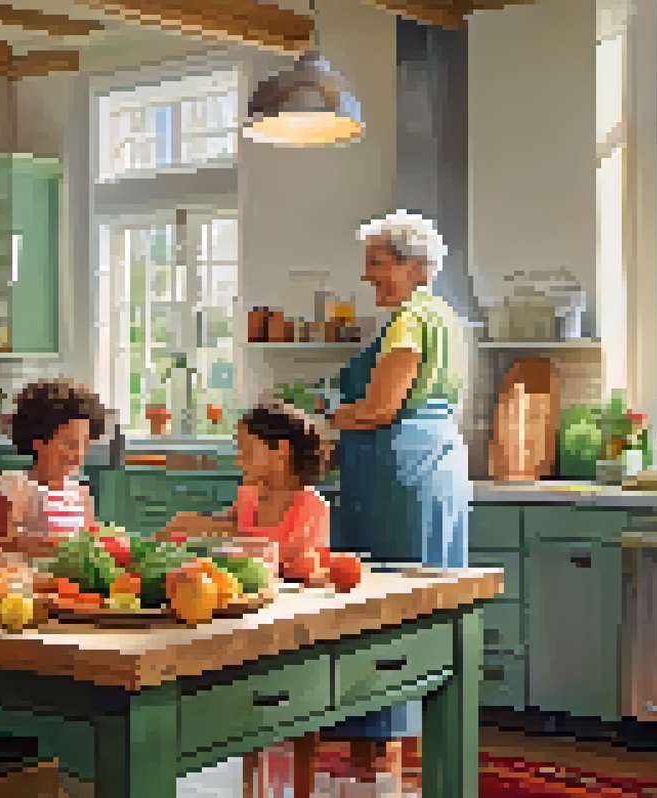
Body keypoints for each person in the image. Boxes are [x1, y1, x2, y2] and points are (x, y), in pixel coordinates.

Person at [324, 210, 471, 793]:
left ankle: (376, 761)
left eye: (378, 265)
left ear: (413, 266)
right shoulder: (447, 320)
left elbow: (383, 406)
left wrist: (334, 416)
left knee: (382, 604)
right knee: (428, 602)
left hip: (398, 474)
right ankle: (415, 751)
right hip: (431, 465)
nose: (369, 277)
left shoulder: (410, 320)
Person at [158, 403, 332, 581]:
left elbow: (298, 565)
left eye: (246, 450)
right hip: (243, 588)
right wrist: (190, 524)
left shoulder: (311, 506)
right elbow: (230, 525)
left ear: (281, 451)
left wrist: (224, 531)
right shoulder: (249, 495)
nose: (238, 459)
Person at [0, 379, 109, 558]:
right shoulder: (13, 486)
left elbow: (89, 546)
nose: (79, 453)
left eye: (85, 444)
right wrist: (54, 546)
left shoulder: (81, 494)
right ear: (38, 442)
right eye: (70, 444)